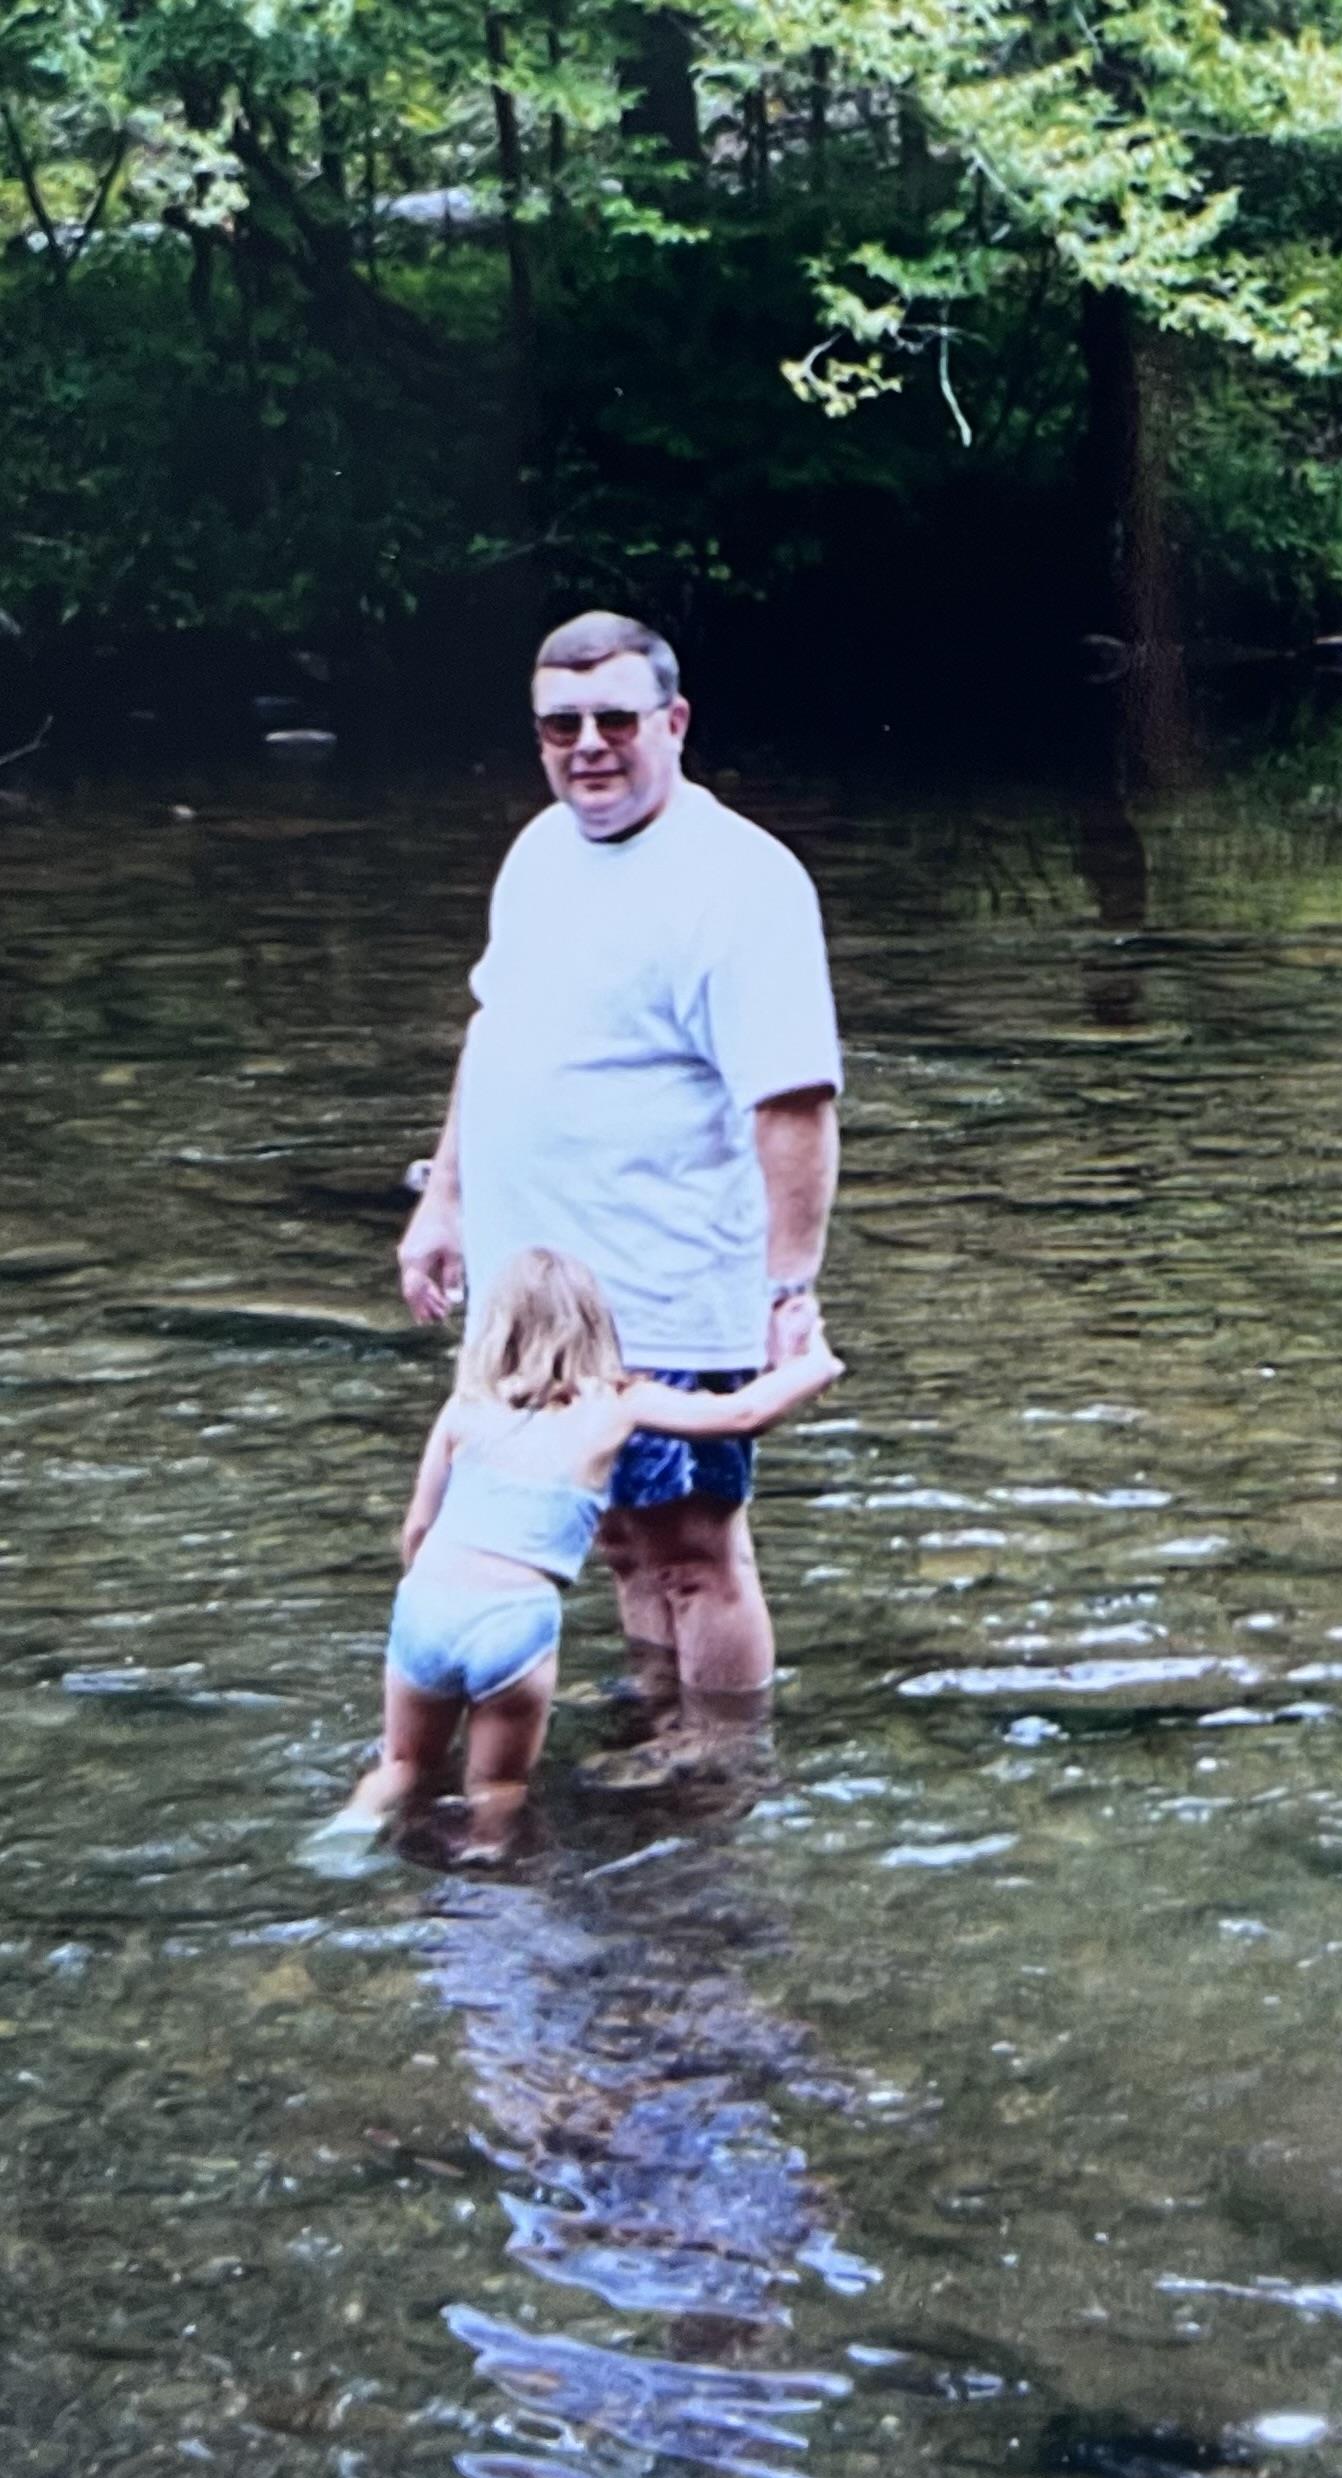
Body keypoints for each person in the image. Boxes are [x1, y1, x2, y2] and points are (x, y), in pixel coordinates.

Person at [394, 612, 842, 1720]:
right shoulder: (539, 851)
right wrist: (443, 1198)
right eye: (560, 723)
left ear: (673, 722)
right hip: (535, 1296)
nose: (587, 744)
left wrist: (789, 1288)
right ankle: (657, 1718)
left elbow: (794, 1103)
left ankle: (725, 1760)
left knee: (693, 1547)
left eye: (614, 719)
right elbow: (492, 1030)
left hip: (674, 1286)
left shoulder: (742, 880)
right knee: (610, 1543)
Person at [328, 1250, 845, 1861]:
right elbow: (742, 1413)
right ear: (598, 1327)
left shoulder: (466, 1404)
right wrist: (816, 1362)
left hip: (427, 1602)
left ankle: (354, 1824)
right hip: (511, 1618)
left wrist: (428, 1594)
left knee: (403, 1763)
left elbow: (418, 1527)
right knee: (495, 1786)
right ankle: (486, 1876)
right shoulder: (615, 1403)